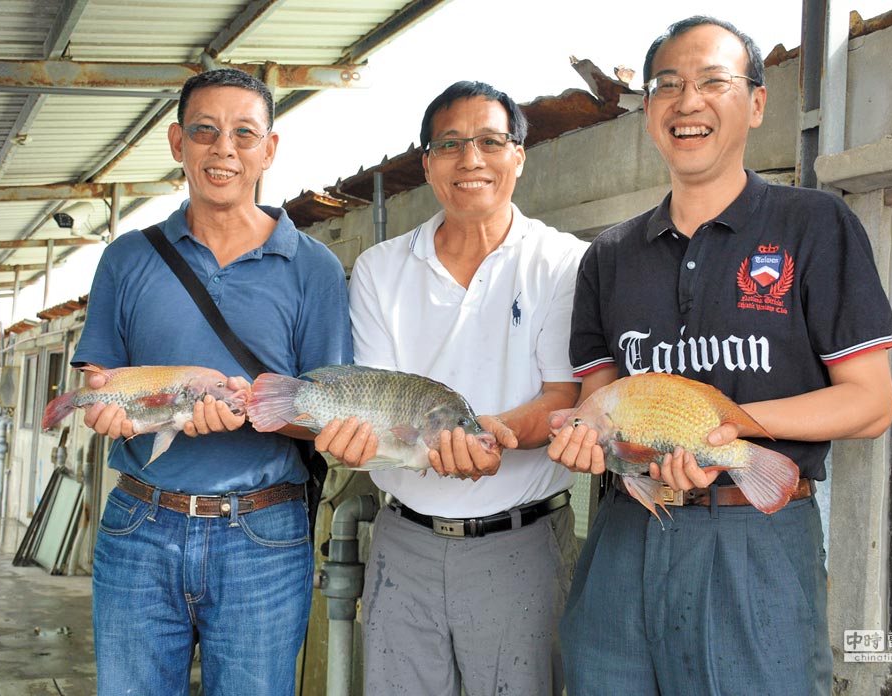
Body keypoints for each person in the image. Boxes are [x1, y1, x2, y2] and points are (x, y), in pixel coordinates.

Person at [547, 16, 892, 696]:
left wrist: (727, 428)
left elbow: (869, 401)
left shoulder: (813, 224)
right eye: (667, 86)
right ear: (648, 109)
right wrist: (592, 446)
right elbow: (603, 401)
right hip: (630, 530)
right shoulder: (608, 257)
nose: (688, 102)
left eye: (714, 82)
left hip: (755, 539)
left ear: (757, 103)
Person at [72, 68, 352, 695]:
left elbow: (328, 412)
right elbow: (100, 382)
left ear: (268, 149)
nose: (224, 148)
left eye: (244, 133)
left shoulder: (314, 268)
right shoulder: (128, 256)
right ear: (177, 143)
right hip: (139, 524)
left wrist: (256, 409)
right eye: (205, 131)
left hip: (264, 533)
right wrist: (105, 409)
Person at [316, 81, 588, 695]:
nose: (471, 159)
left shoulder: (563, 262)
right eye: (451, 144)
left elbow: (565, 399)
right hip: (402, 540)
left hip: (520, 546)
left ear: (519, 154)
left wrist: (492, 437)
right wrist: (350, 442)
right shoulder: (381, 269)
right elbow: (375, 402)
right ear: (428, 163)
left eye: (491, 141)